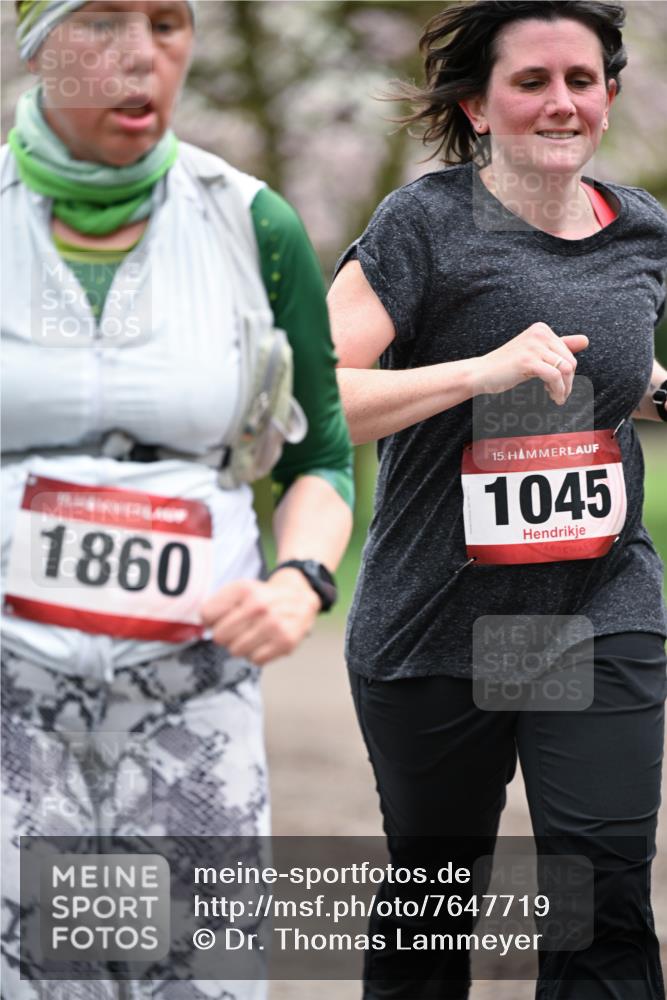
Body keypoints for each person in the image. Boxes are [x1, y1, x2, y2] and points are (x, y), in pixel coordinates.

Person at [1, 1, 353, 997]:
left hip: (190, 691)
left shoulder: (253, 223)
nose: (144, 55)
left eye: (168, 22)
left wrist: (300, 580)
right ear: (35, 41)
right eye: (103, 21)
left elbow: (320, 459)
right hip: (11, 694)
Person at [328, 2, 667, 998]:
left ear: (607, 95)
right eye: (530, 82)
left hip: (593, 610)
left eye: (580, 79)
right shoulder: (425, 224)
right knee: (437, 896)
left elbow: (612, 362)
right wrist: (478, 371)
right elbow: (318, 399)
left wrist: (652, 386)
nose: (559, 102)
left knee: (600, 879)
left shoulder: (642, 227)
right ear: (476, 105)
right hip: (440, 622)